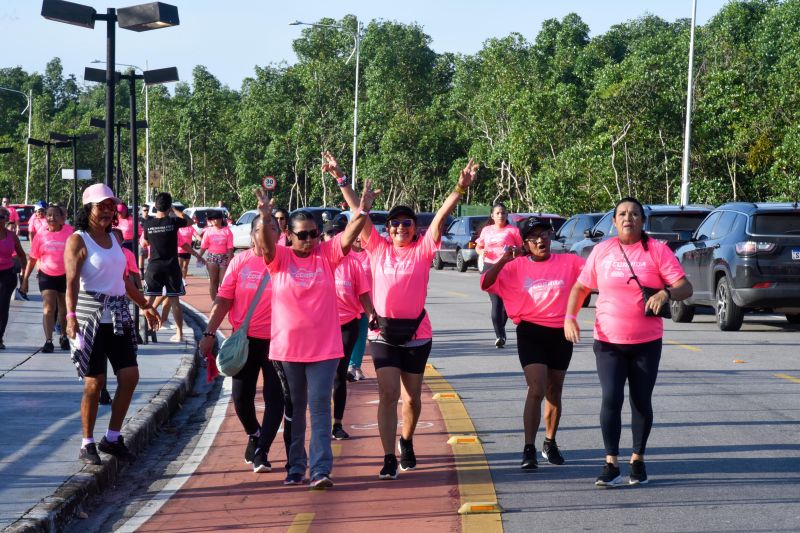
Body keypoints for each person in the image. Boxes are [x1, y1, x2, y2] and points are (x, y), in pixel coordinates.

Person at [322, 151, 478, 479]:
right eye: (395, 223)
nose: (400, 228)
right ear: (388, 228)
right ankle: (389, 456)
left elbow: (440, 218)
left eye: (406, 223)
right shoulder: (377, 248)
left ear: (414, 228)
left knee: (412, 400)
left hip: (417, 335)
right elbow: (357, 211)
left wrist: (460, 188)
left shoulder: (423, 250)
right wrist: (341, 178)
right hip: (383, 334)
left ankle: (406, 440)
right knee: (388, 394)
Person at [255, 179, 377, 489]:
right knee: (295, 409)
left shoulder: (327, 254)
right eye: (302, 235)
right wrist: (266, 217)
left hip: (325, 349)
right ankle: (296, 467)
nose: (309, 240)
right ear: (289, 235)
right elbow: (266, 245)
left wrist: (362, 209)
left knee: (321, 406)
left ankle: (321, 470)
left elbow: (350, 234)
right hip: (288, 350)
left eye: (314, 234)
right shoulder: (280, 258)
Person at [565, 197, 693, 487]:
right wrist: (569, 318)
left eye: (634, 214)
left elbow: (685, 287)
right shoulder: (602, 251)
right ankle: (611, 462)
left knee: (640, 400)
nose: (628, 218)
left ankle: (638, 459)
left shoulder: (657, 250)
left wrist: (666, 293)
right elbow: (581, 287)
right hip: (608, 341)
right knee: (611, 397)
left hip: (646, 341)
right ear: (613, 221)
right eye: (622, 214)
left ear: (642, 221)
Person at [64, 183, 160, 465]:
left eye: (110, 206)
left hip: (117, 316)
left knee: (129, 376)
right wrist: (70, 317)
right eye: (101, 206)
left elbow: (123, 280)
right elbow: (71, 282)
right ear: (88, 209)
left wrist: (145, 305)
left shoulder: (113, 239)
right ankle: (87, 443)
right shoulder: (78, 240)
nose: (107, 211)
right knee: (95, 383)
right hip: (90, 317)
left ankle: (112, 437)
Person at [481, 217, 585, 470]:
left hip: (561, 333)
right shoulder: (515, 266)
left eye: (545, 234)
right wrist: (504, 259)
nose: (541, 240)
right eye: (534, 237)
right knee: (536, 388)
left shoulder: (569, 261)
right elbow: (486, 283)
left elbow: (595, 275)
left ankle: (550, 442)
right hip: (530, 331)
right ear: (525, 243)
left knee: (554, 390)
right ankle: (529, 448)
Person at [199, 214, 290, 473]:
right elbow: (223, 300)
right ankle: (254, 433)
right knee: (241, 398)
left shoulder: (287, 260)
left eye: (273, 229)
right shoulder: (240, 262)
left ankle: (262, 450)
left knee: (275, 398)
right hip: (245, 341)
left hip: (278, 342)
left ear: (279, 234)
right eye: (262, 229)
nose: (267, 233)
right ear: (252, 235)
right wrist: (209, 333)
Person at [322, 219, 374, 440]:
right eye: (329, 233)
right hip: (321, 327)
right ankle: (320, 422)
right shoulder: (317, 259)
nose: (334, 237)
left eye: (338, 233)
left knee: (338, 374)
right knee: (320, 377)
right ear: (323, 237)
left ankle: (337, 424)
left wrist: (372, 316)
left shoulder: (353, 263)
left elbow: (363, 294)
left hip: (347, 326)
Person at [21, 205, 73, 352]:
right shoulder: (40, 235)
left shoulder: (70, 232)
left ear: (62, 218)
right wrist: (25, 280)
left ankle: (63, 336)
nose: (52, 218)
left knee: (63, 309)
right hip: (46, 274)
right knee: (49, 308)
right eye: (49, 215)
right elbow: (32, 258)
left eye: (55, 215)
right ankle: (48, 341)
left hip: (66, 275)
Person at [142, 192, 189, 342]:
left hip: (154, 266)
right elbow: (189, 220)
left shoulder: (148, 224)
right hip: (172, 267)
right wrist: (174, 209)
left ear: (155, 206)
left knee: (148, 301)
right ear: (169, 207)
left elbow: (146, 242)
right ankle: (179, 334)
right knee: (175, 301)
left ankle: (145, 330)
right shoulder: (173, 221)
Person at [476, 203, 522, 348]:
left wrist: (515, 251)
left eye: (503, 213)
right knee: (496, 302)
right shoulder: (486, 230)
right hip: (490, 267)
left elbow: (521, 248)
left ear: (507, 215)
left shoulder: (513, 230)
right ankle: (500, 335)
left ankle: (500, 331)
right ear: (492, 216)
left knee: (506, 305)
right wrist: (481, 252)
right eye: (498, 213)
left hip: (508, 268)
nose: (501, 215)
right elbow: (478, 246)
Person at [0, 206, 26, 349]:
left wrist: (24, 276)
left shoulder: (11, 236)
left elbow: (22, 255)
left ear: (6, 219)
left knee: (3, 307)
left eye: (1, 217)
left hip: (7, 274)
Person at [346, 235, 371, 382]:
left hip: (365, 303)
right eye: (356, 235)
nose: (359, 239)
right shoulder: (345, 253)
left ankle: (355, 366)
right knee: (346, 337)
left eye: (363, 235)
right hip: (346, 305)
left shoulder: (371, 253)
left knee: (361, 337)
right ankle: (345, 365)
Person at [198, 210, 234, 300]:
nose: (213, 221)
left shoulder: (227, 231)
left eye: (216, 219)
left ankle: (221, 301)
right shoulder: (208, 231)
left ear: (221, 219)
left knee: (223, 282)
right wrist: (199, 256)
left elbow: (230, 248)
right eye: (212, 219)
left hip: (224, 257)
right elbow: (203, 246)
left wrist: (230, 260)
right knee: (213, 281)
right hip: (212, 257)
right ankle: (214, 302)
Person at [176, 207, 202, 278]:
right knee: (180, 266)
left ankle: (183, 280)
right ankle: (179, 280)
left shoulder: (190, 227)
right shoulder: (178, 227)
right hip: (179, 250)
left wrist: (202, 240)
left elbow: (196, 235)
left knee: (185, 266)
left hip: (188, 250)